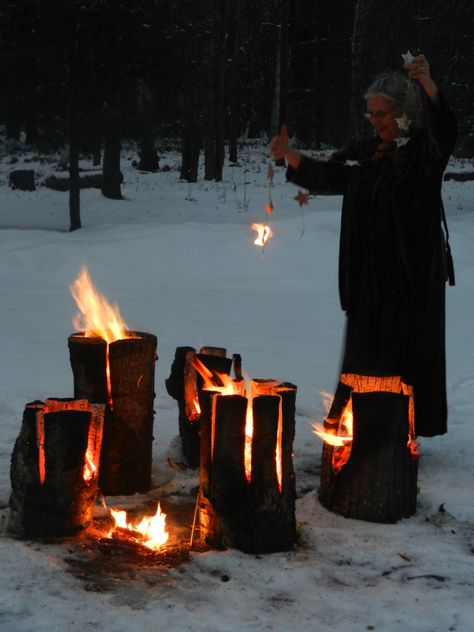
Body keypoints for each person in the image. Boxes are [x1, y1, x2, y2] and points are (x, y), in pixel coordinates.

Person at [270, 54, 457, 437]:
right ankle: (358, 424)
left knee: (404, 358)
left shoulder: (424, 151)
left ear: (403, 112)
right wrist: (290, 157)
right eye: (370, 114)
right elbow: (333, 174)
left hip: (412, 277)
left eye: (382, 114)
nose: (374, 122)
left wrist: (428, 85)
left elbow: (447, 128)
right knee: (363, 352)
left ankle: (397, 434)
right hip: (368, 275)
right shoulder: (369, 150)